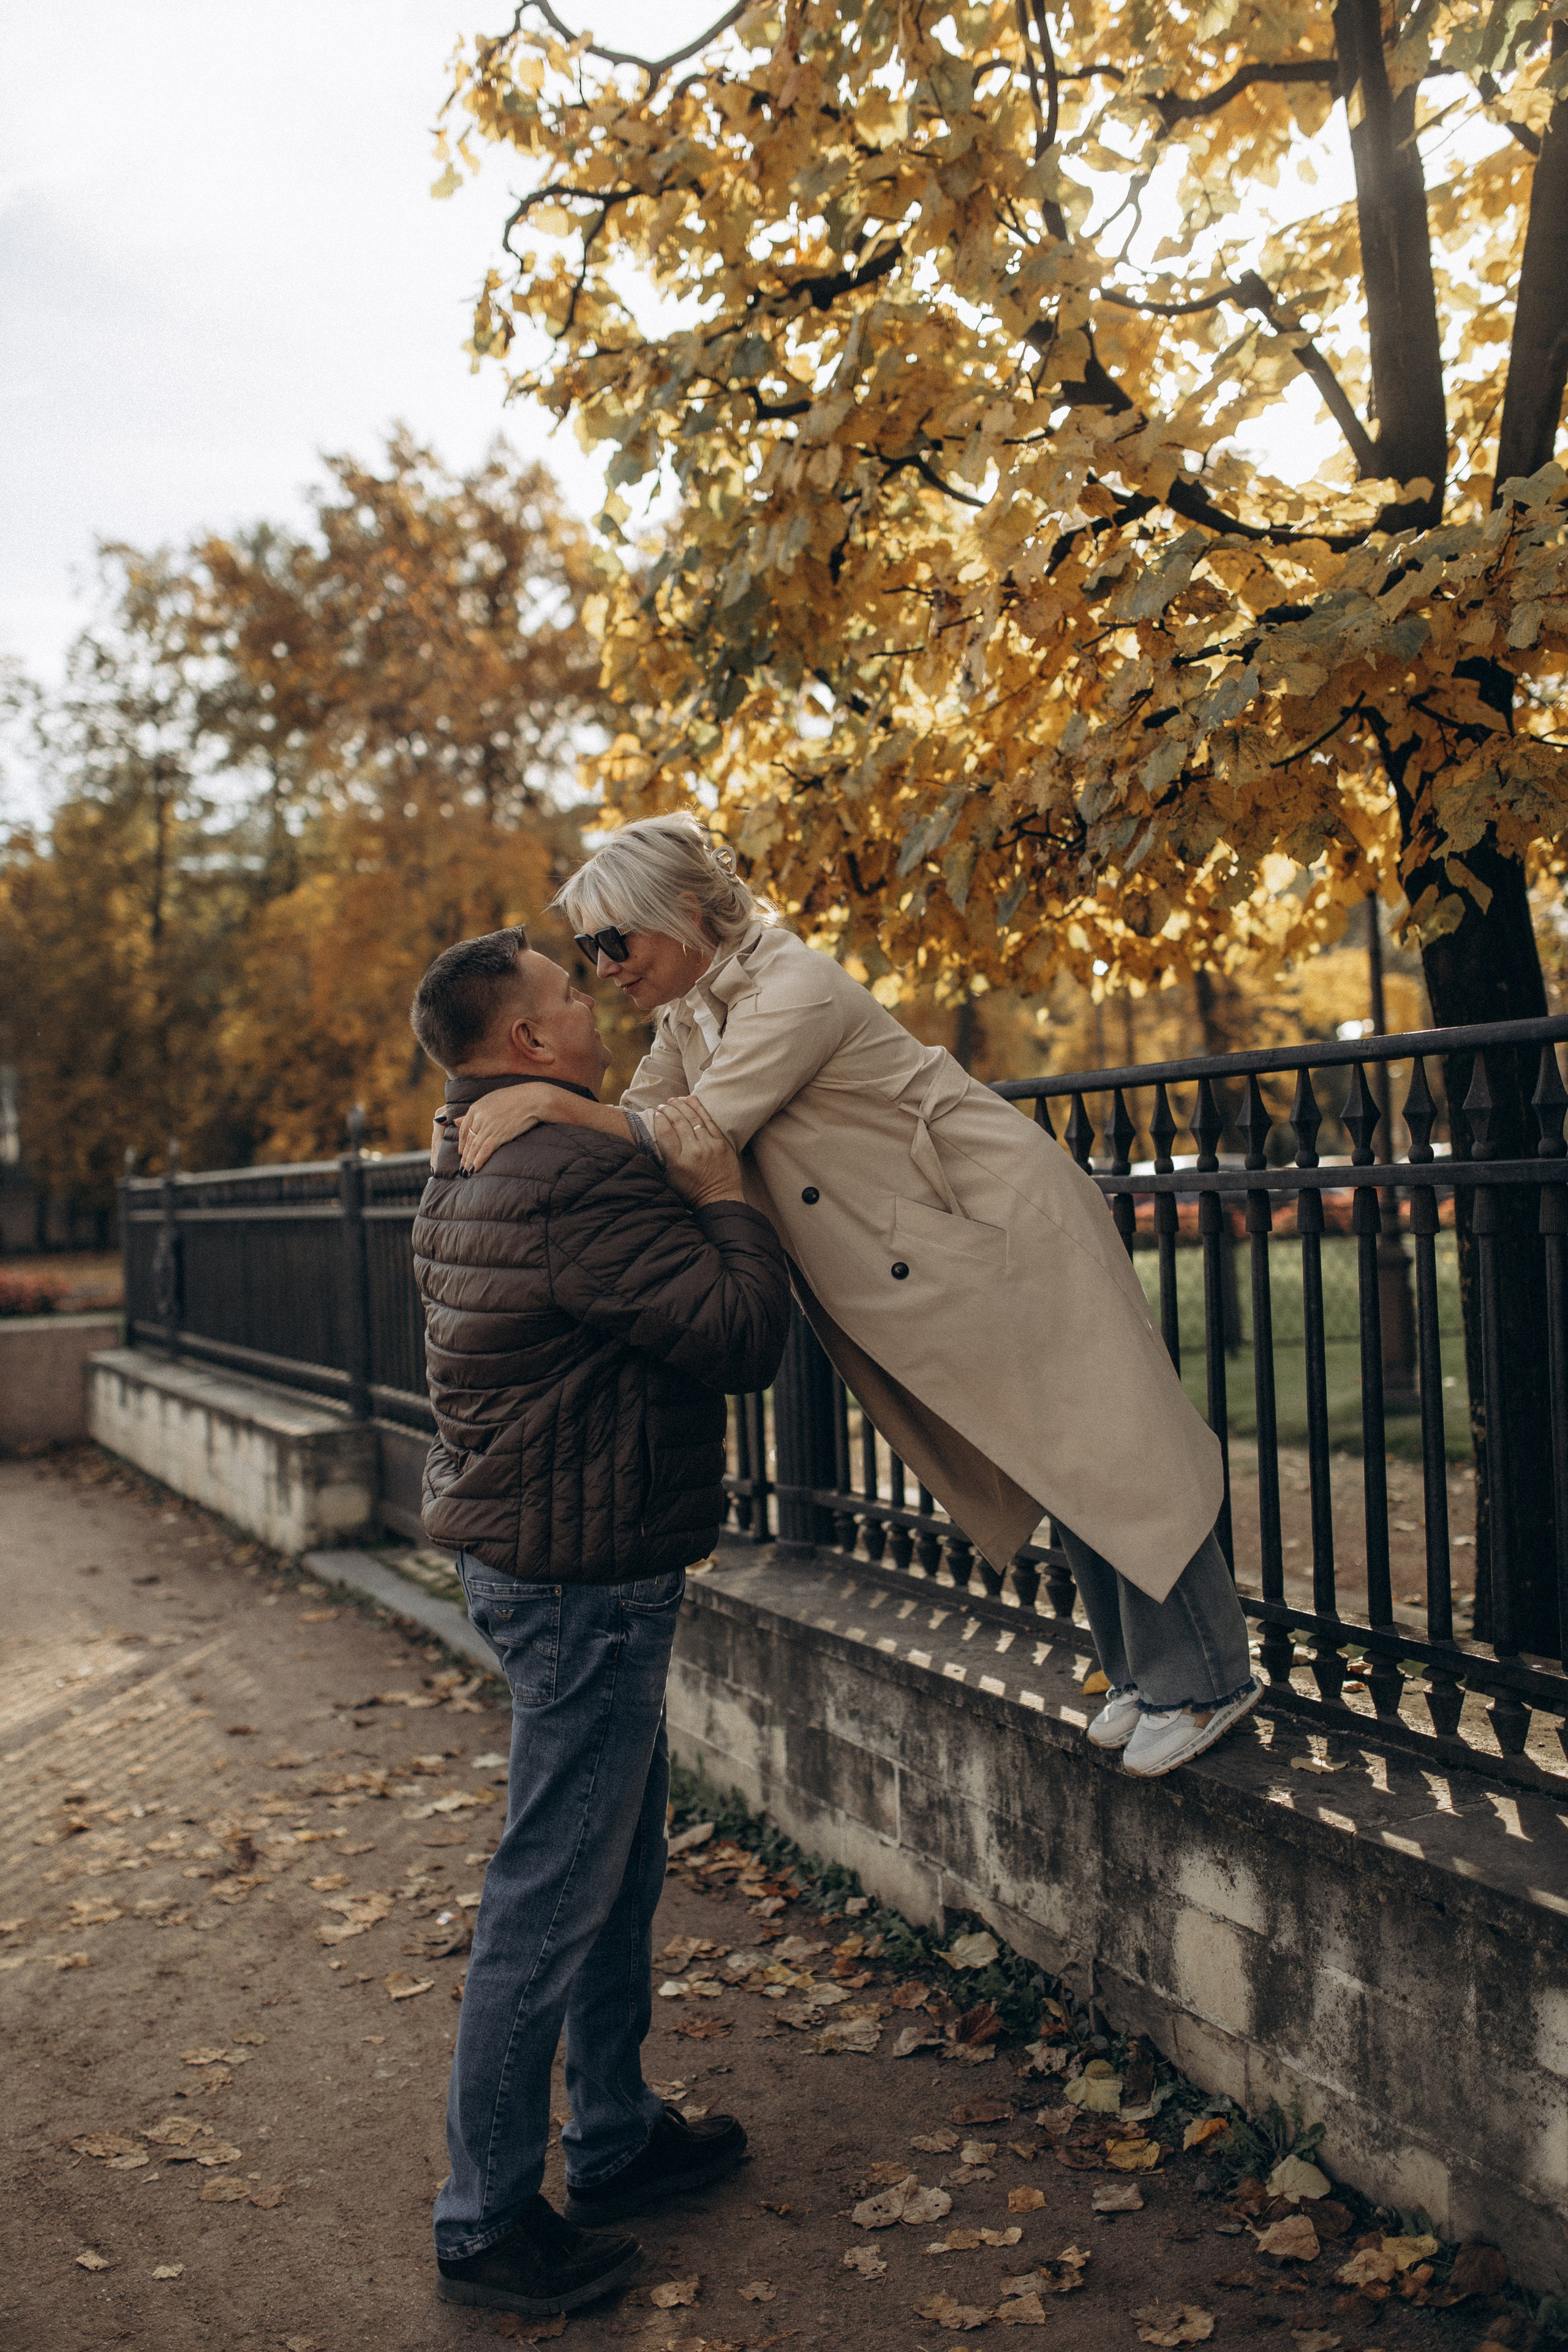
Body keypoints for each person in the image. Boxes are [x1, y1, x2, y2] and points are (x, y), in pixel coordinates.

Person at [452, 816, 1260, 1782]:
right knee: (1057, 1456)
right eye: (589, 948)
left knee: (1108, 1445)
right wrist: (525, 1115)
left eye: (616, 939)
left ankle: (1207, 1681)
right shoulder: (690, 1017)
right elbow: (636, 1127)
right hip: (942, 1246)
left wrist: (547, 1102)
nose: (605, 965)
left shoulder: (793, 985)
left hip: (997, 1223)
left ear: (687, 912)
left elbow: (698, 1129)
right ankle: (1144, 1673)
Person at [407, 924, 791, 2320]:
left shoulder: (468, 1149)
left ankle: (616, 2135)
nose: (591, 1001)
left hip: (540, 1548)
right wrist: (721, 1191)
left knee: (613, 1862)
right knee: (557, 1885)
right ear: (524, 1038)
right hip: (582, 1574)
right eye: (568, 992)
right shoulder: (574, 1173)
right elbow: (740, 1336)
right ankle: (485, 2222)